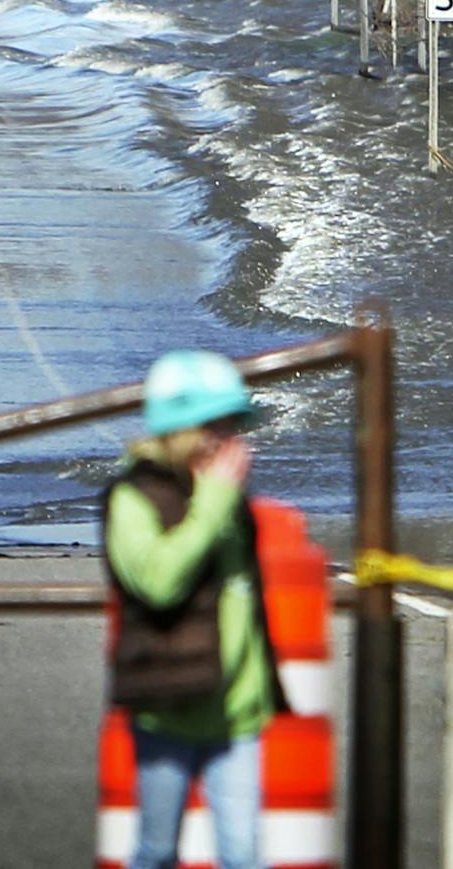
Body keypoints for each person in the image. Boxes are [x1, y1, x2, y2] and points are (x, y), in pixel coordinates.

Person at [100, 349, 288, 869]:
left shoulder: (221, 495)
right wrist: (213, 503)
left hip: (238, 711)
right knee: (157, 851)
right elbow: (159, 582)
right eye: (222, 427)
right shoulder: (135, 498)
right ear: (187, 430)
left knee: (245, 856)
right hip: (169, 705)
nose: (234, 441)